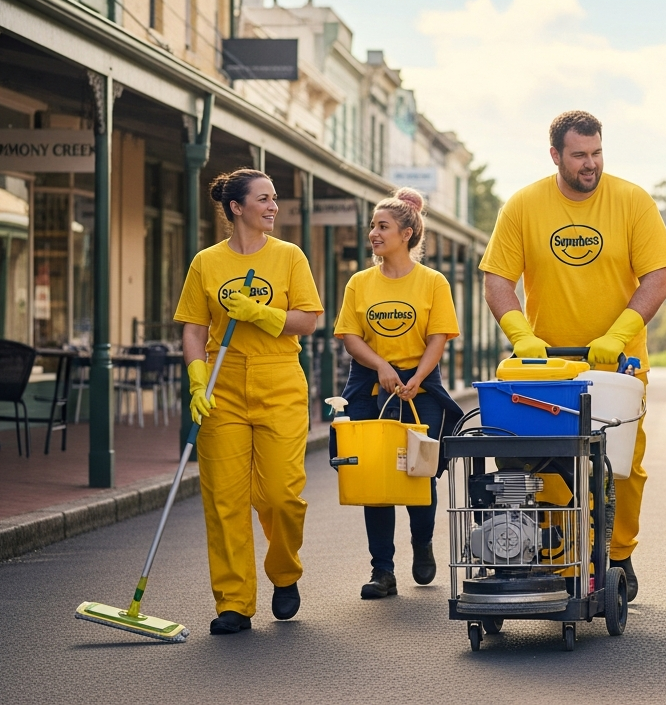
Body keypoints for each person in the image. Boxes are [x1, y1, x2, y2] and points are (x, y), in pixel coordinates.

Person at [479, 110, 666, 600]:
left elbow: (657, 278)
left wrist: (620, 333)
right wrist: (521, 336)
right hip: (547, 371)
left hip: (619, 366)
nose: (591, 165)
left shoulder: (632, 201)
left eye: (596, 153)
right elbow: (497, 280)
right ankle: (557, 557)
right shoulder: (524, 206)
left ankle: (617, 554)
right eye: (579, 156)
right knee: (547, 466)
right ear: (555, 156)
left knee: (622, 468)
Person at [174, 168, 323, 635]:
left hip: (279, 379)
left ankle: (284, 572)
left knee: (280, 494)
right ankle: (234, 602)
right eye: (264, 199)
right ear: (237, 208)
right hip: (224, 385)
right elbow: (194, 328)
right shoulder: (206, 263)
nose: (273, 206)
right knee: (224, 500)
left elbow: (309, 320)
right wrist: (197, 380)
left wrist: (262, 312)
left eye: (274, 198)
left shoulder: (289, 257)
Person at [330, 189, 463, 598]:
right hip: (371, 383)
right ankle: (382, 571)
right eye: (372, 226)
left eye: (382, 226)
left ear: (407, 233)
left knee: (420, 471)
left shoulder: (432, 282)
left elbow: (438, 338)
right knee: (375, 476)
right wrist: (382, 367)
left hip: (420, 385)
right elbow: (350, 337)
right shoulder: (360, 283)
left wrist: (417, 378)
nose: (373, 233)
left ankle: (422, 544)